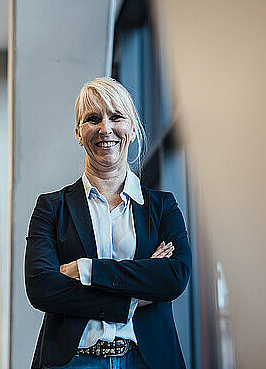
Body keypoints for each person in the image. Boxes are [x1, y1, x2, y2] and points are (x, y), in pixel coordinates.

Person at [25, 77, 192, 368]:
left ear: (133, 128)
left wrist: (86, 269)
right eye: (92, 119)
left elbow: (174, 277)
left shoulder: (163, 206)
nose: (105, 128)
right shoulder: (51, 208)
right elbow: (42, 287)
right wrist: (132, 296)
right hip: (74, 362)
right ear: (78, 132)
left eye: (116, 116)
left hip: (147, 360)